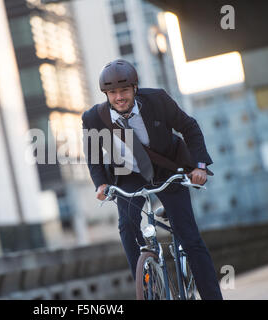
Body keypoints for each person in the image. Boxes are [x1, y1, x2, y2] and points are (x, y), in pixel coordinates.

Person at [81, 59, 223, 300]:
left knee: (190, 238)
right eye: (112, 92)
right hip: (128, 175)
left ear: (135, 88)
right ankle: (148, 286)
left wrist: (199, 166)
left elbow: (189, 128)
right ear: (106, 94)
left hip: (168, 171)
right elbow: (93, 156)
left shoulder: (158, 100)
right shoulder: (94, 118)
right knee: (126, 226)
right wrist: (101, 184)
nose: (119, 97)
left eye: (124, 90)